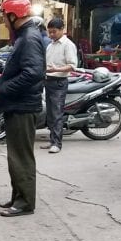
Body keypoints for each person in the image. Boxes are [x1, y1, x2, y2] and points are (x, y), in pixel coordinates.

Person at [0, 0, 45, 217]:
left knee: (21, 157)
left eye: (5, 17)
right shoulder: (25, 36)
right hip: (18, 105)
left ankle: (25, 202)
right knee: (15, 156)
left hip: (23, 106)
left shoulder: (29, 38)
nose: (4, 22)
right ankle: (18, 196)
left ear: (13, 16)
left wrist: (5, 89)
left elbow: (33, 73)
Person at [43, 18, 78, 154]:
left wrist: (55, 69)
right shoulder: (50, 45)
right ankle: (52, 140)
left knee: (57, 113)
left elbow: (72, 66)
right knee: (50, 114)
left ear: (62, 30)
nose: (51, 35)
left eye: (54, 32)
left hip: (59, 82)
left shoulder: (68, 45)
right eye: (49, 32)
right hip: (48, 80)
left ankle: (57, 143)